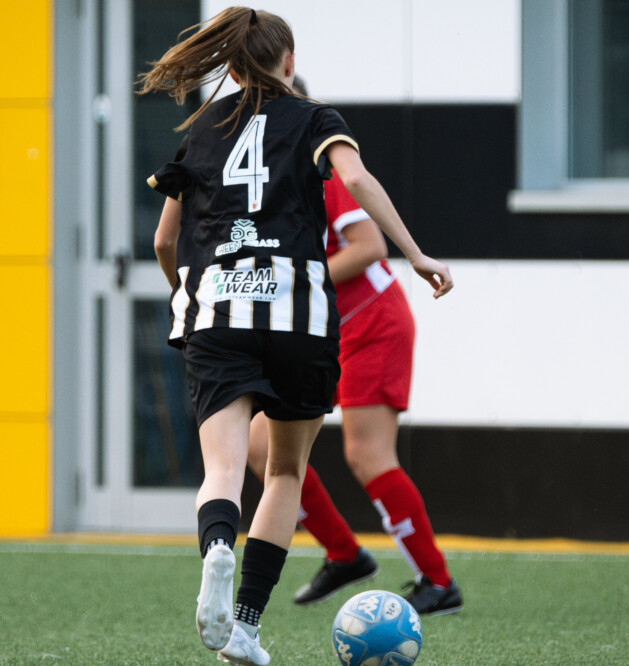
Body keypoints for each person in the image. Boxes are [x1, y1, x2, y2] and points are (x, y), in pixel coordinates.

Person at [137, 7, 453, 665]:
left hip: (217, 314)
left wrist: (187, 296)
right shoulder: (314, 117)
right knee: (284, 470)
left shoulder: (199, 132)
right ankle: (246, 628)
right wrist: (417, 255)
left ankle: (217, 547)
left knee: (224, 467)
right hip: (297, 317)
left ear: (227, 65)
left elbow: (166, 239)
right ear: (288, 61)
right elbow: (358, 182)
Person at [245, 77, 462, 619]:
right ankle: (344, 554)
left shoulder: (325, 169)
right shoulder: (261, 180)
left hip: (373, 325)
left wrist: (295, 285)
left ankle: (437, 582)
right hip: (322, 329)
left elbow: (367, 247)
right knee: (255, 445)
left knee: (366, 454)